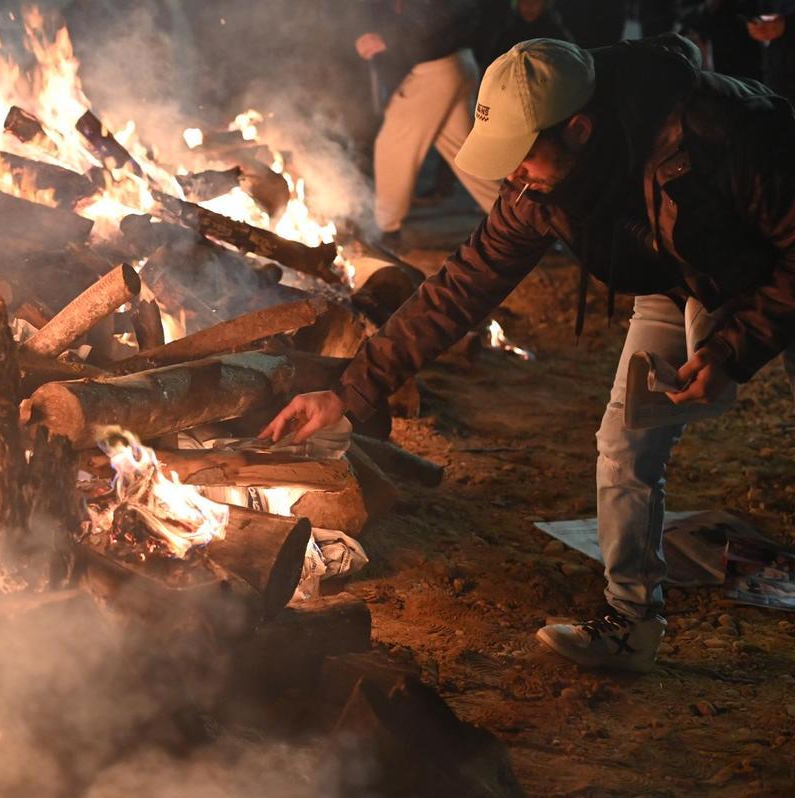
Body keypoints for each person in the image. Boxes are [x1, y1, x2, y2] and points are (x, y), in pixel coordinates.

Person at [262, 36, 795, 671]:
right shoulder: (537, 193)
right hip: (672, 281)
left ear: (579, 129)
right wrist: (349, 393)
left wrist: (735, 348)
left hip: (771, 266)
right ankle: (631, 622)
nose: (511, 176)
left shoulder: (718, 134)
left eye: (522, 156)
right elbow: (459, 290)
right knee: (625, 444)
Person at [357, 0, 502, 256]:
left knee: (393, 148)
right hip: (455, 63)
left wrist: (389, 38)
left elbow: (443, 12)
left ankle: (386, 234)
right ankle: (520, 217)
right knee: (467, 156)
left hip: (435, 69)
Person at [481, 0, 575, 68]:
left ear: (545, 3)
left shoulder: (556, 35)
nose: (529, 6)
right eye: (524, 1)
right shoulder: (507, 34)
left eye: (535, 1)